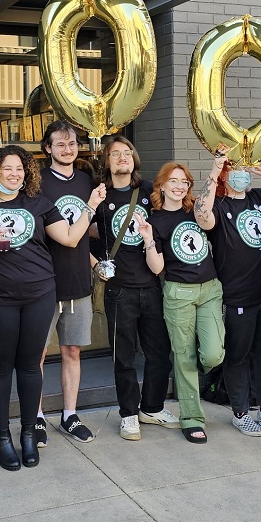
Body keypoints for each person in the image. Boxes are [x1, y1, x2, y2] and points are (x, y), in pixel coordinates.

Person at [0, 146, 105, 471]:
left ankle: (26, 434)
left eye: (20, 168)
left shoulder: (38, 203)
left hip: (39, 294)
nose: (15, 174)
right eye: (8, 168)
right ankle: (2, 437)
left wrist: (90, 207)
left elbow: (67, 238)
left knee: (30, 367)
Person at [93, 136, 179, 441]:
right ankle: (128, 414)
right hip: (119, 290)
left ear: (134, 158)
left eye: (126, 152)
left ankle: (152, 407)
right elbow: (78, 237)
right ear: (106, 162)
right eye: (114, 154)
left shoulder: (148, 192)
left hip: (152, 286)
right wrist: (95, 264)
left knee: (160, 353)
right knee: (124, 357)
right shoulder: (99, 196)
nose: (121, 158)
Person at [195, 154, 261, 437]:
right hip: (236, 296)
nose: (240, 174)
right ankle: (240, 412)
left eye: (243, 169)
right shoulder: (219, 206)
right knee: (238, 355)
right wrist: (215, 171)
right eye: (233, 170)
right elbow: (201, 215)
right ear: (225, 175)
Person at [141, 161, 224, 443]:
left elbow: (208, 218)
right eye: (173, 181)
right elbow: (156, 268)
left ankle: (192, 367)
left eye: (184, 182)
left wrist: (214, 169)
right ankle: (191, 418)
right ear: (161, 186)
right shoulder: (155, 221)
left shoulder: (195, 212)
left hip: (210, 290)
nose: (179, 186)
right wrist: (149, 240)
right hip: (179, 294)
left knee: (212, 354)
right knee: (183, 357)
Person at [35, 120, 98, 445]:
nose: (67, 149)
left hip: (78, 283)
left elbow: (85, 232)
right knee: (39, 355)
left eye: (72, 143)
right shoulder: (38, 182)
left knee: (72, 351)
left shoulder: (87, 181)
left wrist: (96, 263)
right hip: (44, 284)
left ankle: (69, 414)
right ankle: (37, 416)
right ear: (48, 149)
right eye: (60, 144)